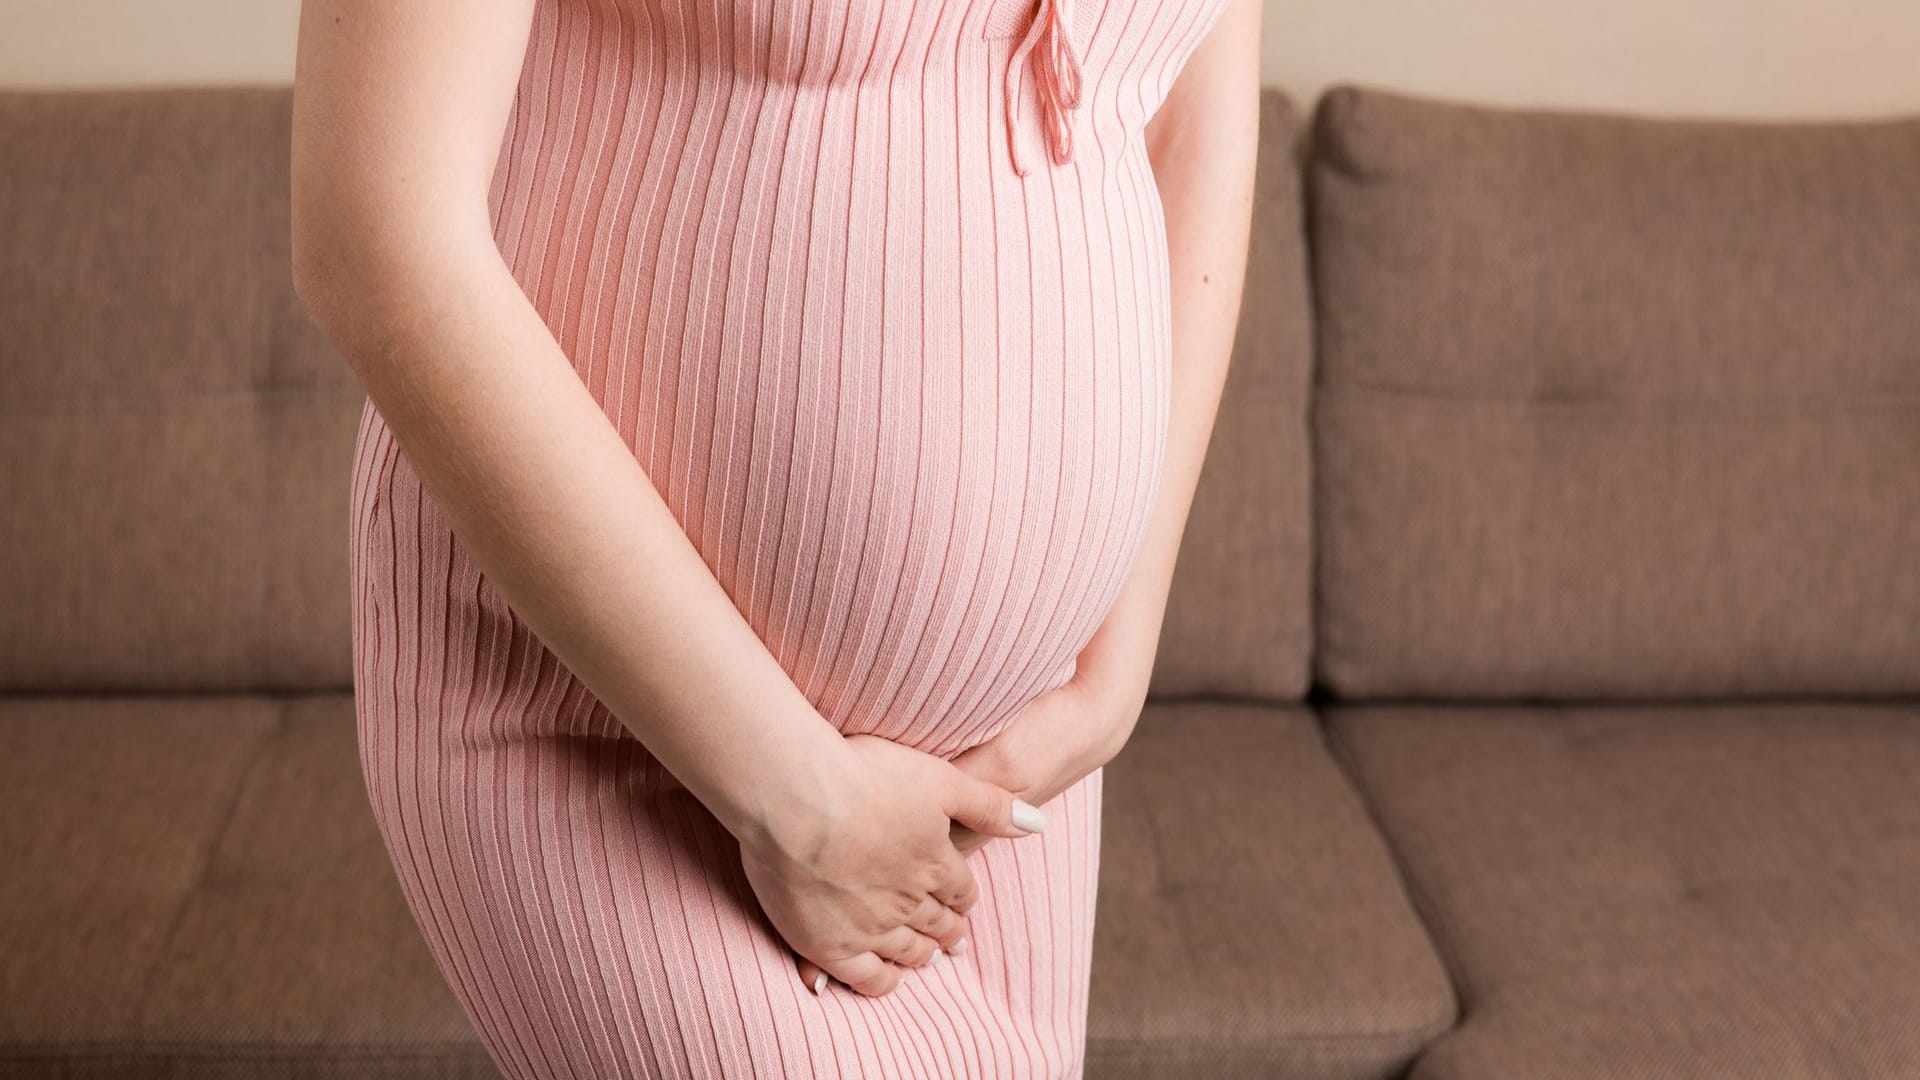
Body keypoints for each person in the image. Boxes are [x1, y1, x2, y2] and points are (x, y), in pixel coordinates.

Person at [289, 0, 1258, 1074]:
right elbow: (375, 235)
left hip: (1013, 754)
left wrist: (1109, 674)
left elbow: (1187, 125)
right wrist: (796, 799)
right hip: (599, 718)